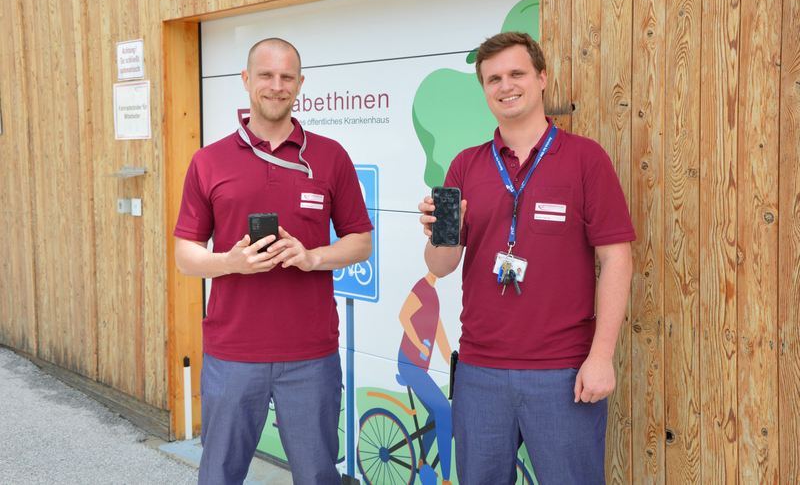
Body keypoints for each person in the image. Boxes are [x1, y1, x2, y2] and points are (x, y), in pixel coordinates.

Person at [417, 31, 635, 485]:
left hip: (562, 372)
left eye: (516, 73)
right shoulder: (464, 165)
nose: (506, 86)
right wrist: (439, 233)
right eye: (493, 78)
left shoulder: (585, 159)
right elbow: (440, 266)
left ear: (541, 78)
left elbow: (616, 258)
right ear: (484, 89)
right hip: (479, 371)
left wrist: (601, 356)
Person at [174, 38, 373, 485]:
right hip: (232, 353)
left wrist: (312, 256)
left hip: (311, 356)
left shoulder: (330, 156)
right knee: (219, 475)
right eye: (266, 75)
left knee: (317, 475)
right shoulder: (208, 161)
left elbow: (361, 243)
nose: (277, 86)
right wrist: (232, 262)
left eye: (287, 77)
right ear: (247, 80)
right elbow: (186, 256)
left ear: (300, 84)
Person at [397, 271, 453, 485]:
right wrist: (419, 345)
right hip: (409, 364)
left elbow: (441, 339)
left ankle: (421, 461)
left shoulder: (434, 296)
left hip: (419, 367)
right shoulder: (422, 287)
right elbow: (403, 316)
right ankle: (446, 479)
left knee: (435, 412)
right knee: (444, 410)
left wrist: (457, 367)